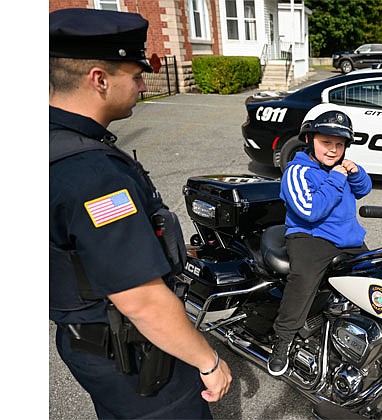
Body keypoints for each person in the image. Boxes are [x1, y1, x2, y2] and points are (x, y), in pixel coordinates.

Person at [49, 8, 232, 418]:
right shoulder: (92, 173)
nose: (143, 84)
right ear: (99, 79)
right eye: (135, 74)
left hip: (89, 345)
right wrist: (209, 362)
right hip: (132, 355)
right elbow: (141, 299)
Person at [267, 104, 372, 376]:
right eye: (326, 142)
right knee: (302, 281)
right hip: (310, 236)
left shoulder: (341, 167)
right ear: (308, 140)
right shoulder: (297, 172)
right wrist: (337, 177)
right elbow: (311, 211)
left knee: (377, 275)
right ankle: (283, 340)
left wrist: (356, 172)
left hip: (347, 238)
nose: (333, 150)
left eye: (339, 144)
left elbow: (364, 189)